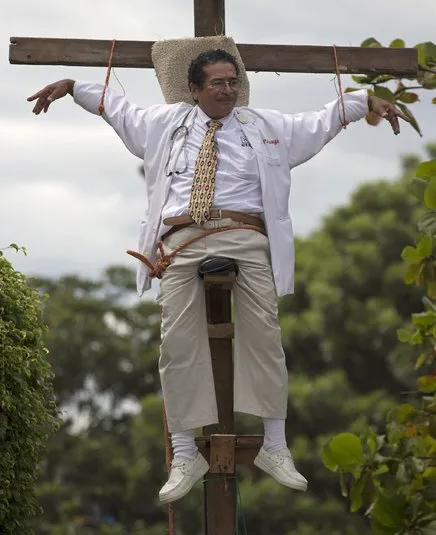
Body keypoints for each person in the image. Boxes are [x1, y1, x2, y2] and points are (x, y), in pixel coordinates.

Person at [28, 49, 407, 504]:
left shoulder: (264, 127)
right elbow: (116, 107)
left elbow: (321, 120)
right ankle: (185, 452)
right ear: (194, 89)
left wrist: (366, 99)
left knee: (264, 332)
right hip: (181, 241)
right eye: (218, 83)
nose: (228, 90)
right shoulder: (164, 123)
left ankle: (275, 444)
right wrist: (72, 88)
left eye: (233, 82)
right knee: (176, 340)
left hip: (243, 235)